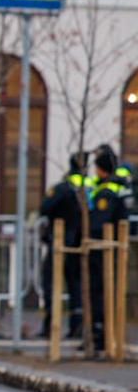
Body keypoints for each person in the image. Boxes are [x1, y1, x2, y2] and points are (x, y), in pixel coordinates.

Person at [38, 152, 88, 338]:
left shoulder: (64, 187)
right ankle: (77, 326)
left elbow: (45, 207)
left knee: (50, 283)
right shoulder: (89, 186)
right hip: (80, 243)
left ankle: (51, 325)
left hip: (59, 242)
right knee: (76, 286)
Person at [87, 147, 127, 355]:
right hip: (112, 248)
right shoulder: (119, 187)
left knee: (101, 292)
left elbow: (100, 223)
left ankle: (101, 337)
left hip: (104, 249)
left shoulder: (106, 192)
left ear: (101, 170)